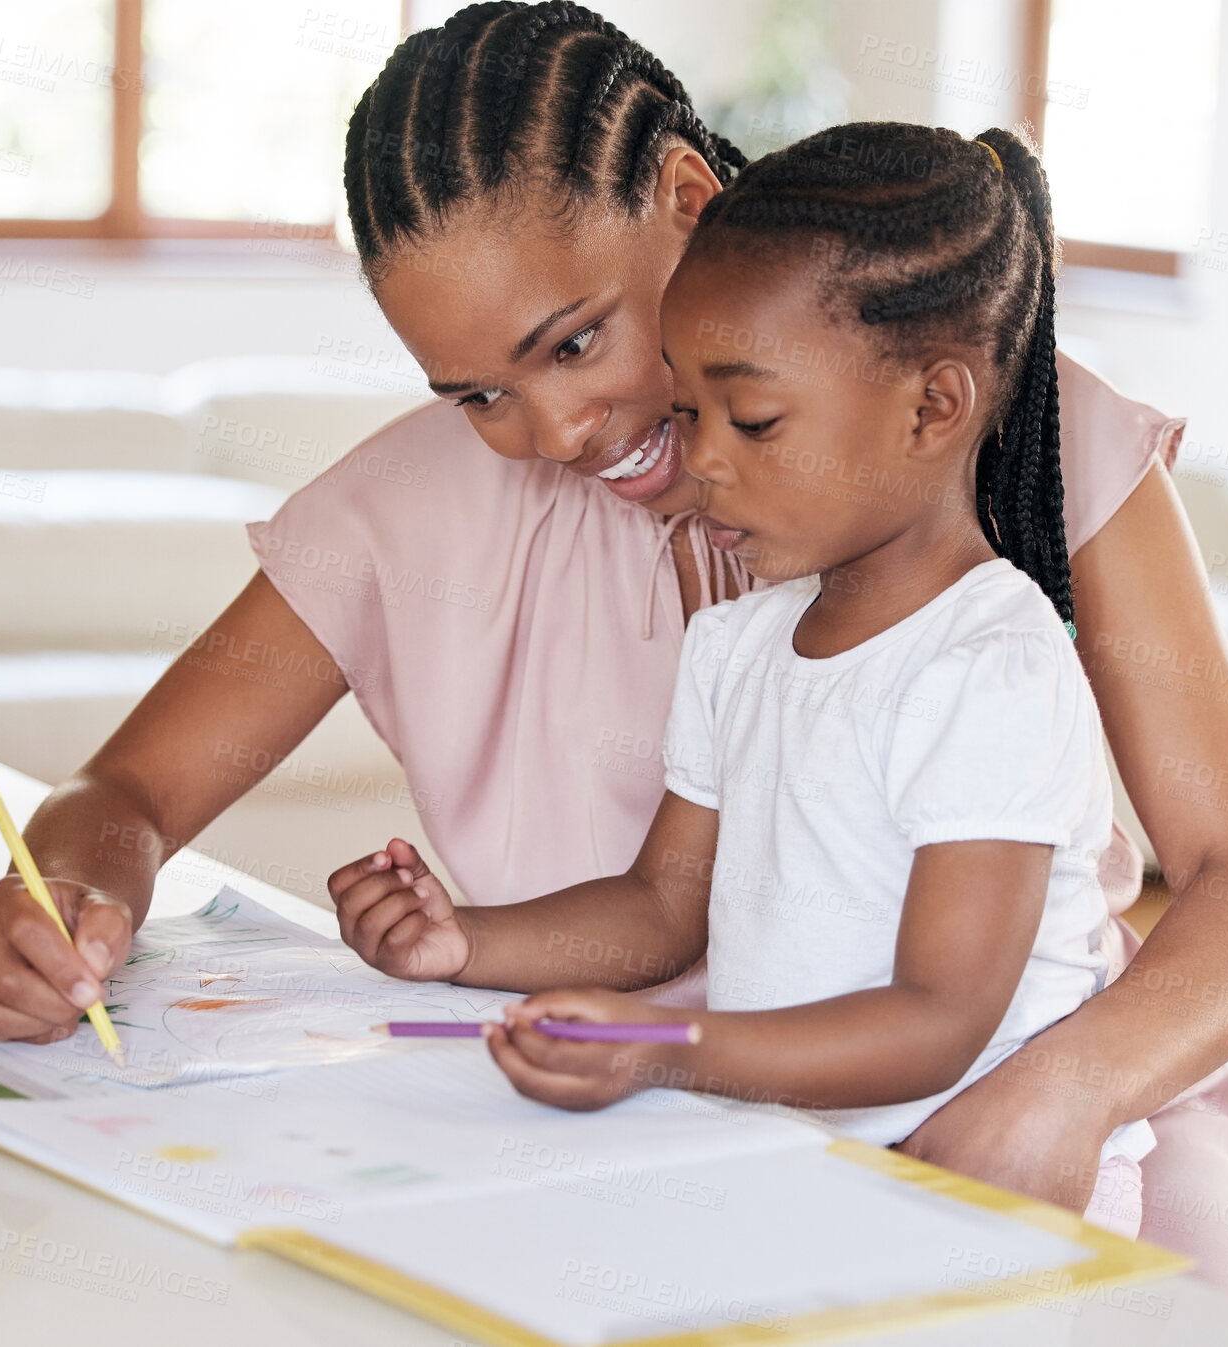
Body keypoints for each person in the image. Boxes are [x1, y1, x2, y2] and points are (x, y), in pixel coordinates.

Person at [0, 3, 1228, 1326]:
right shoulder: (405, 516)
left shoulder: (987, 417)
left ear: (682, 192)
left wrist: (1062, 1094)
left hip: (1050, 1115)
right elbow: (125, 788)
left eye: (575, 341)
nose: (552, 430)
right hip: (629, 1131)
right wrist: (61, 888)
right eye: (476, 392)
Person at [324, 118, 1160, 1237]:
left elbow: (939, 1021)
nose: (702, 460)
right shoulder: (740, 645)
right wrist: (462, 942)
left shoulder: (989, 667)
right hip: (811, 1156)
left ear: (933, 406)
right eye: (686, 413)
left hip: (994, 1187)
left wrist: (665, 1050)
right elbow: (663, 907)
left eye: (752, 420)